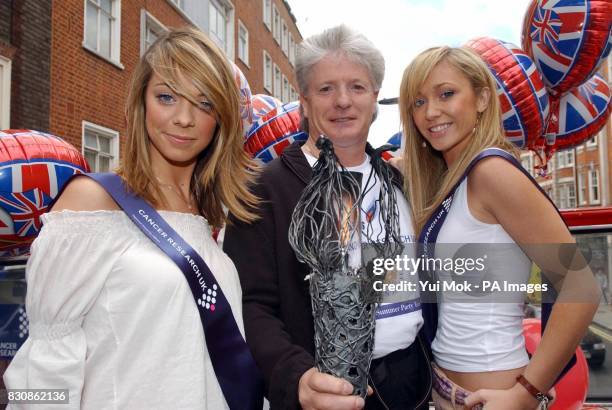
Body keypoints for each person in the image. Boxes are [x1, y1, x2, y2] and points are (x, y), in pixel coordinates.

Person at [3, 27, 259, 409]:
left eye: (204, 104)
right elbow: (42, 363)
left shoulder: (214, 216)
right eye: (167, 97)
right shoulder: (92, 202)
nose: (184, 118)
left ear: (221, 118)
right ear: (141, 103)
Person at [224, 25, 431, 410]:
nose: (342, 101)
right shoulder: (264, 190)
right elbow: (251, 305)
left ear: (374, 99)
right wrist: (296, 376)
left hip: (410, 387)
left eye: (356, 87)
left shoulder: (401, 182)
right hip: (322, 395)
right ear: (303, 101)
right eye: (325, 89)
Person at [397, 46, 599, 410]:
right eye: (417, 102)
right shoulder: (455, 180)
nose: (431, 112)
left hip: (493, 393)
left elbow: (580, 287)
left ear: (482, 99)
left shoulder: (491, 173)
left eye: (446, 94)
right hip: (446, 389)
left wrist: (526, 393)